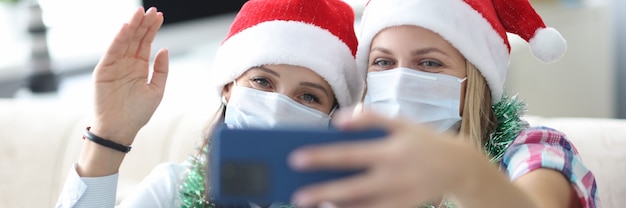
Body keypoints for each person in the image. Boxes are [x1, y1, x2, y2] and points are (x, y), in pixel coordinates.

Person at [287, 0, 601, 207]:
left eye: (429, 64)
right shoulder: (351, 165)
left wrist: (467, 172)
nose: (400, 80)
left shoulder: (532, 148)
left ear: (475, 77)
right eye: (383, 62)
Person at [55, 0, 364, 207]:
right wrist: (109, 137)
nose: (277, 107)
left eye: (308, 96)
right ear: (229, 87)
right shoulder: (172, 189)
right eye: (262, 82)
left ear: (333, 115)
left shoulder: (349, 200)